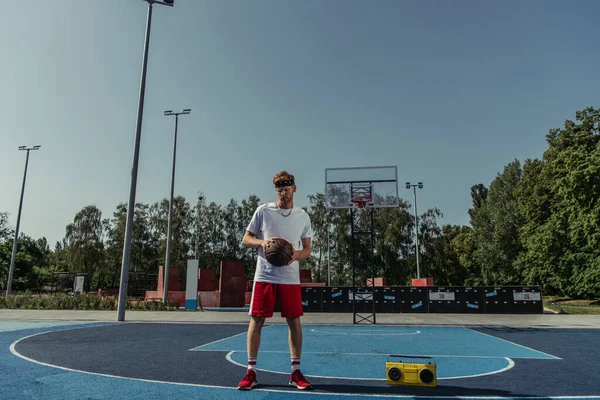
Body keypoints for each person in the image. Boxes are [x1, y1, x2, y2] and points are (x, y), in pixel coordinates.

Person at [237, 171, 313, 390]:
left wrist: (296, 254)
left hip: (290, 278)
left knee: (294, 321)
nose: (283, 191)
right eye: (279, 187)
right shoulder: (263, 211)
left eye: (286, 187)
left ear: (294, 188)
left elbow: (307, 249)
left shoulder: (303, 216)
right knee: (257, 320)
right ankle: (250, 371)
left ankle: (295, 372)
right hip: (265, 275)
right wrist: (262, 243)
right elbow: (246, 238)